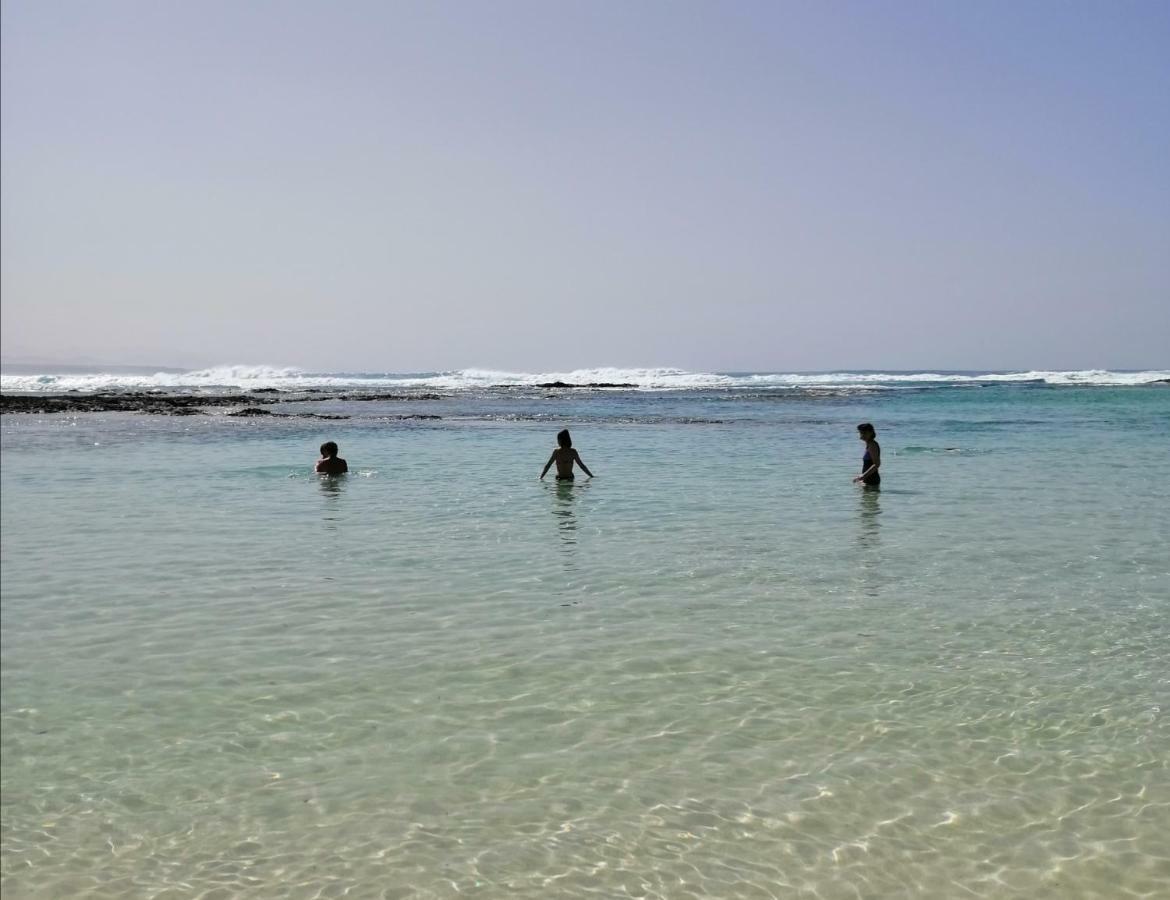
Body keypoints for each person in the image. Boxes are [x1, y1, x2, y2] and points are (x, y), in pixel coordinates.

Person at [853, 423, 880, 487]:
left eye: (865, 433)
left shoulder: (872, 445)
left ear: (871, 433)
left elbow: (877, 464)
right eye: (861, 433)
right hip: (868, 479)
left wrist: (863, 476)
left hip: (872, 479)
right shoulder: (869, 444)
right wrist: (862, 477)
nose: (862, 435)